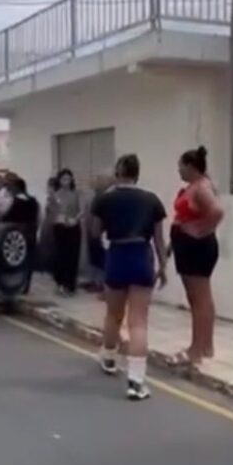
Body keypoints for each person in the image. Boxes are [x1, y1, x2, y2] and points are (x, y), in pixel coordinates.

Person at [91, 154, 168, 401]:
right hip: (141, 256)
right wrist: (163, 266)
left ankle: (109, 357)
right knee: (138, 322)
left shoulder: (105, 199)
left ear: (118, 173)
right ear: (137, 173)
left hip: (117, 255)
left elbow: (95, 232)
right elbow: (159, 239)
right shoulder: (152, 200)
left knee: (113, 315)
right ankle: (136, 382)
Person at [168, 146, 224, 366]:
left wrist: (200, 230)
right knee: (200, 299)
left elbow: (217, 211)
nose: (179, 171)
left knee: (199, 300)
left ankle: (196, 349)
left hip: (196, 248)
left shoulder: (201, 187)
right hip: (188, 247)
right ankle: (206, 346)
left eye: (181, 166)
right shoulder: (196, 186)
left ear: (191, 166)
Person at [48, 169, 82, 295]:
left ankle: (70, 284)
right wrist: (59, 218)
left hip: (73, 226)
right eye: (63, 179)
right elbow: (52, 211)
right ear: (59, 180)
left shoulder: (76, 194)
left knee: (72, 256)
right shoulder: (55, 195)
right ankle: (60, 282)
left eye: (68, 178)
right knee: (61, 255)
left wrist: (75, 219)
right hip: (60, 226)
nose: (66, 181)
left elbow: (81, 210)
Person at [2, 176, 40, 281]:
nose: (10, 190)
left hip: (17, 235)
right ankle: (26, 282)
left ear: (16, 188)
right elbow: (37, 218)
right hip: (30, 233)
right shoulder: (33, 201)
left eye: (11, 187)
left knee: (16, 260)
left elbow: (7, 218)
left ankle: (16, 281)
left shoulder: (16, 202)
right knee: (28, 260)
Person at [87, 174, 116, 296]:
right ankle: (96, 282)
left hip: (102, 232)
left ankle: (103, 285)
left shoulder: (108, 197)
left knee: (103, 259)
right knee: (95, 257)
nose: (96, 183)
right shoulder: (97, 196)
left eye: (99, 181)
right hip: (93, 231)